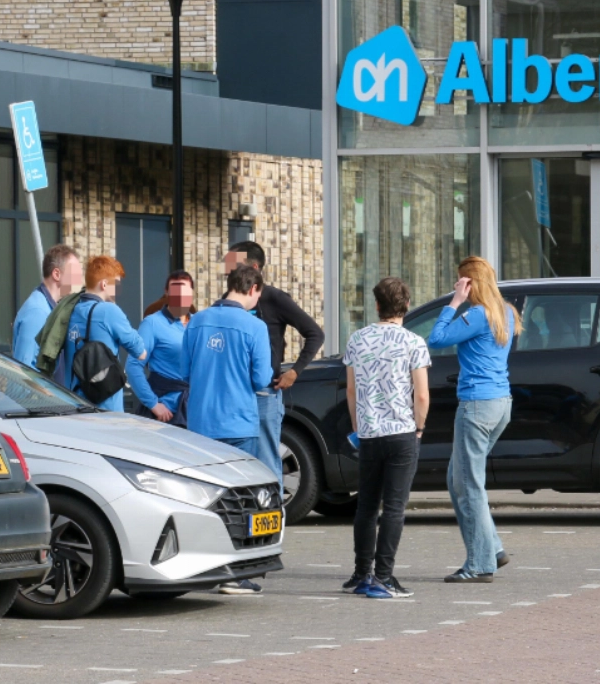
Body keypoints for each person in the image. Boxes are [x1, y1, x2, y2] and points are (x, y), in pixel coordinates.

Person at [427, 256, 522, 584]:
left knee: (468, 485)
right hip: (500, 403)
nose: (457, 286)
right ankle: (492, 548)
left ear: (470, 283)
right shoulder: (506, 313)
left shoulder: (479, 314)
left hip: (477, 405)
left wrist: (454, 301)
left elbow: (436, 339)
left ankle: (480, 565)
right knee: (459, 479)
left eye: (460, 281)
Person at [182, 264, 273, 595]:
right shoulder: (254, 327)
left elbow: (183, 370)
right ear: (252, 289)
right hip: (238, 423)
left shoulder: (197, 321)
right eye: (258, 295)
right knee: (240, 500)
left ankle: (199, 566)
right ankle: (234, 573)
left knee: (202, 499)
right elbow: (262, 379)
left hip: (201, 424)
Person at [341, 278, 430, 599]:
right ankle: (384, 577)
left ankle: (361, 573)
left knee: (365, 506)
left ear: (376, 305)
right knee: (393, 507)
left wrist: (358, 424)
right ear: (406, 306)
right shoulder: (414, 343)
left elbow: (351, 390)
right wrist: (418, 428)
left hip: (369, 432)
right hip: (402, 432)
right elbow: (421, 395)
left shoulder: (356, 340)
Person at [222, 242, 325, 493]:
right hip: (232, 394)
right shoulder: (226, 303)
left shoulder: (275, 299)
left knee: (267, 458)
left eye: (233, 267)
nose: (228, 274)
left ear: (253, 268)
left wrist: (295, 371)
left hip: (264, 394)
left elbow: (314, 333)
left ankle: (273, 518)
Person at [64, 256, 146, 412]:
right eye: (116, 284)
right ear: (104, 284)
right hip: (105, 409)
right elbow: (140, 352)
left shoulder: (71, 310)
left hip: (73, 404)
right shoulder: (109, 311)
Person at [126, 271, 195, 427]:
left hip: (196, 410)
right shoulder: (152, 324)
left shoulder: (200, 323)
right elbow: (133, 366)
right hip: (166, 413)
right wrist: (153, 404)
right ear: (166, 292)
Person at [13, 244, 82, 380]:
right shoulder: (38, 311)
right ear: (57, 274)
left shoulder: (49, 308)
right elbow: (25, 371)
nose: (78, 280)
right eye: (75, 274)